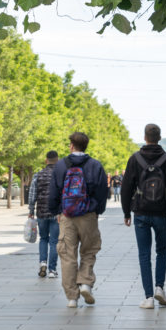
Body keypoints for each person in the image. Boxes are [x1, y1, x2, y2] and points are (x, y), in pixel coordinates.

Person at [121, 123, 166, 309]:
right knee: (162, 251)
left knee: (144, 254)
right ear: (160, 137)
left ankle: (148, 297)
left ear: (145, 137)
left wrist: (126, 212)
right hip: (161, 213)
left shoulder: (135, 159)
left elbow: (126, 188)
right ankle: (159, 288)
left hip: (140, 213)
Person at [48, 132, 108, 308]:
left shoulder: (61, 166)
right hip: (88, 214)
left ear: (72, 146)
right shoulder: (95, 166)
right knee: (89, 251)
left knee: (68, 255)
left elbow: (54, 192)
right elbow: (102, 191)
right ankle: (85, 282)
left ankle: (72, 297)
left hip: (67, 216)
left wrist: (57, 211)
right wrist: (97, 210)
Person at [28, 150, 59, 278]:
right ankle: (52, 270)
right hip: (56, 213)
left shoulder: (38, 175)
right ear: (58, 160)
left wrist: (31, 210)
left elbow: (32, 194)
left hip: (41, 212)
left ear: (46, 160)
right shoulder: (60, 175)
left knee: (43, 238)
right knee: (54, 241)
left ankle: (42, 264)